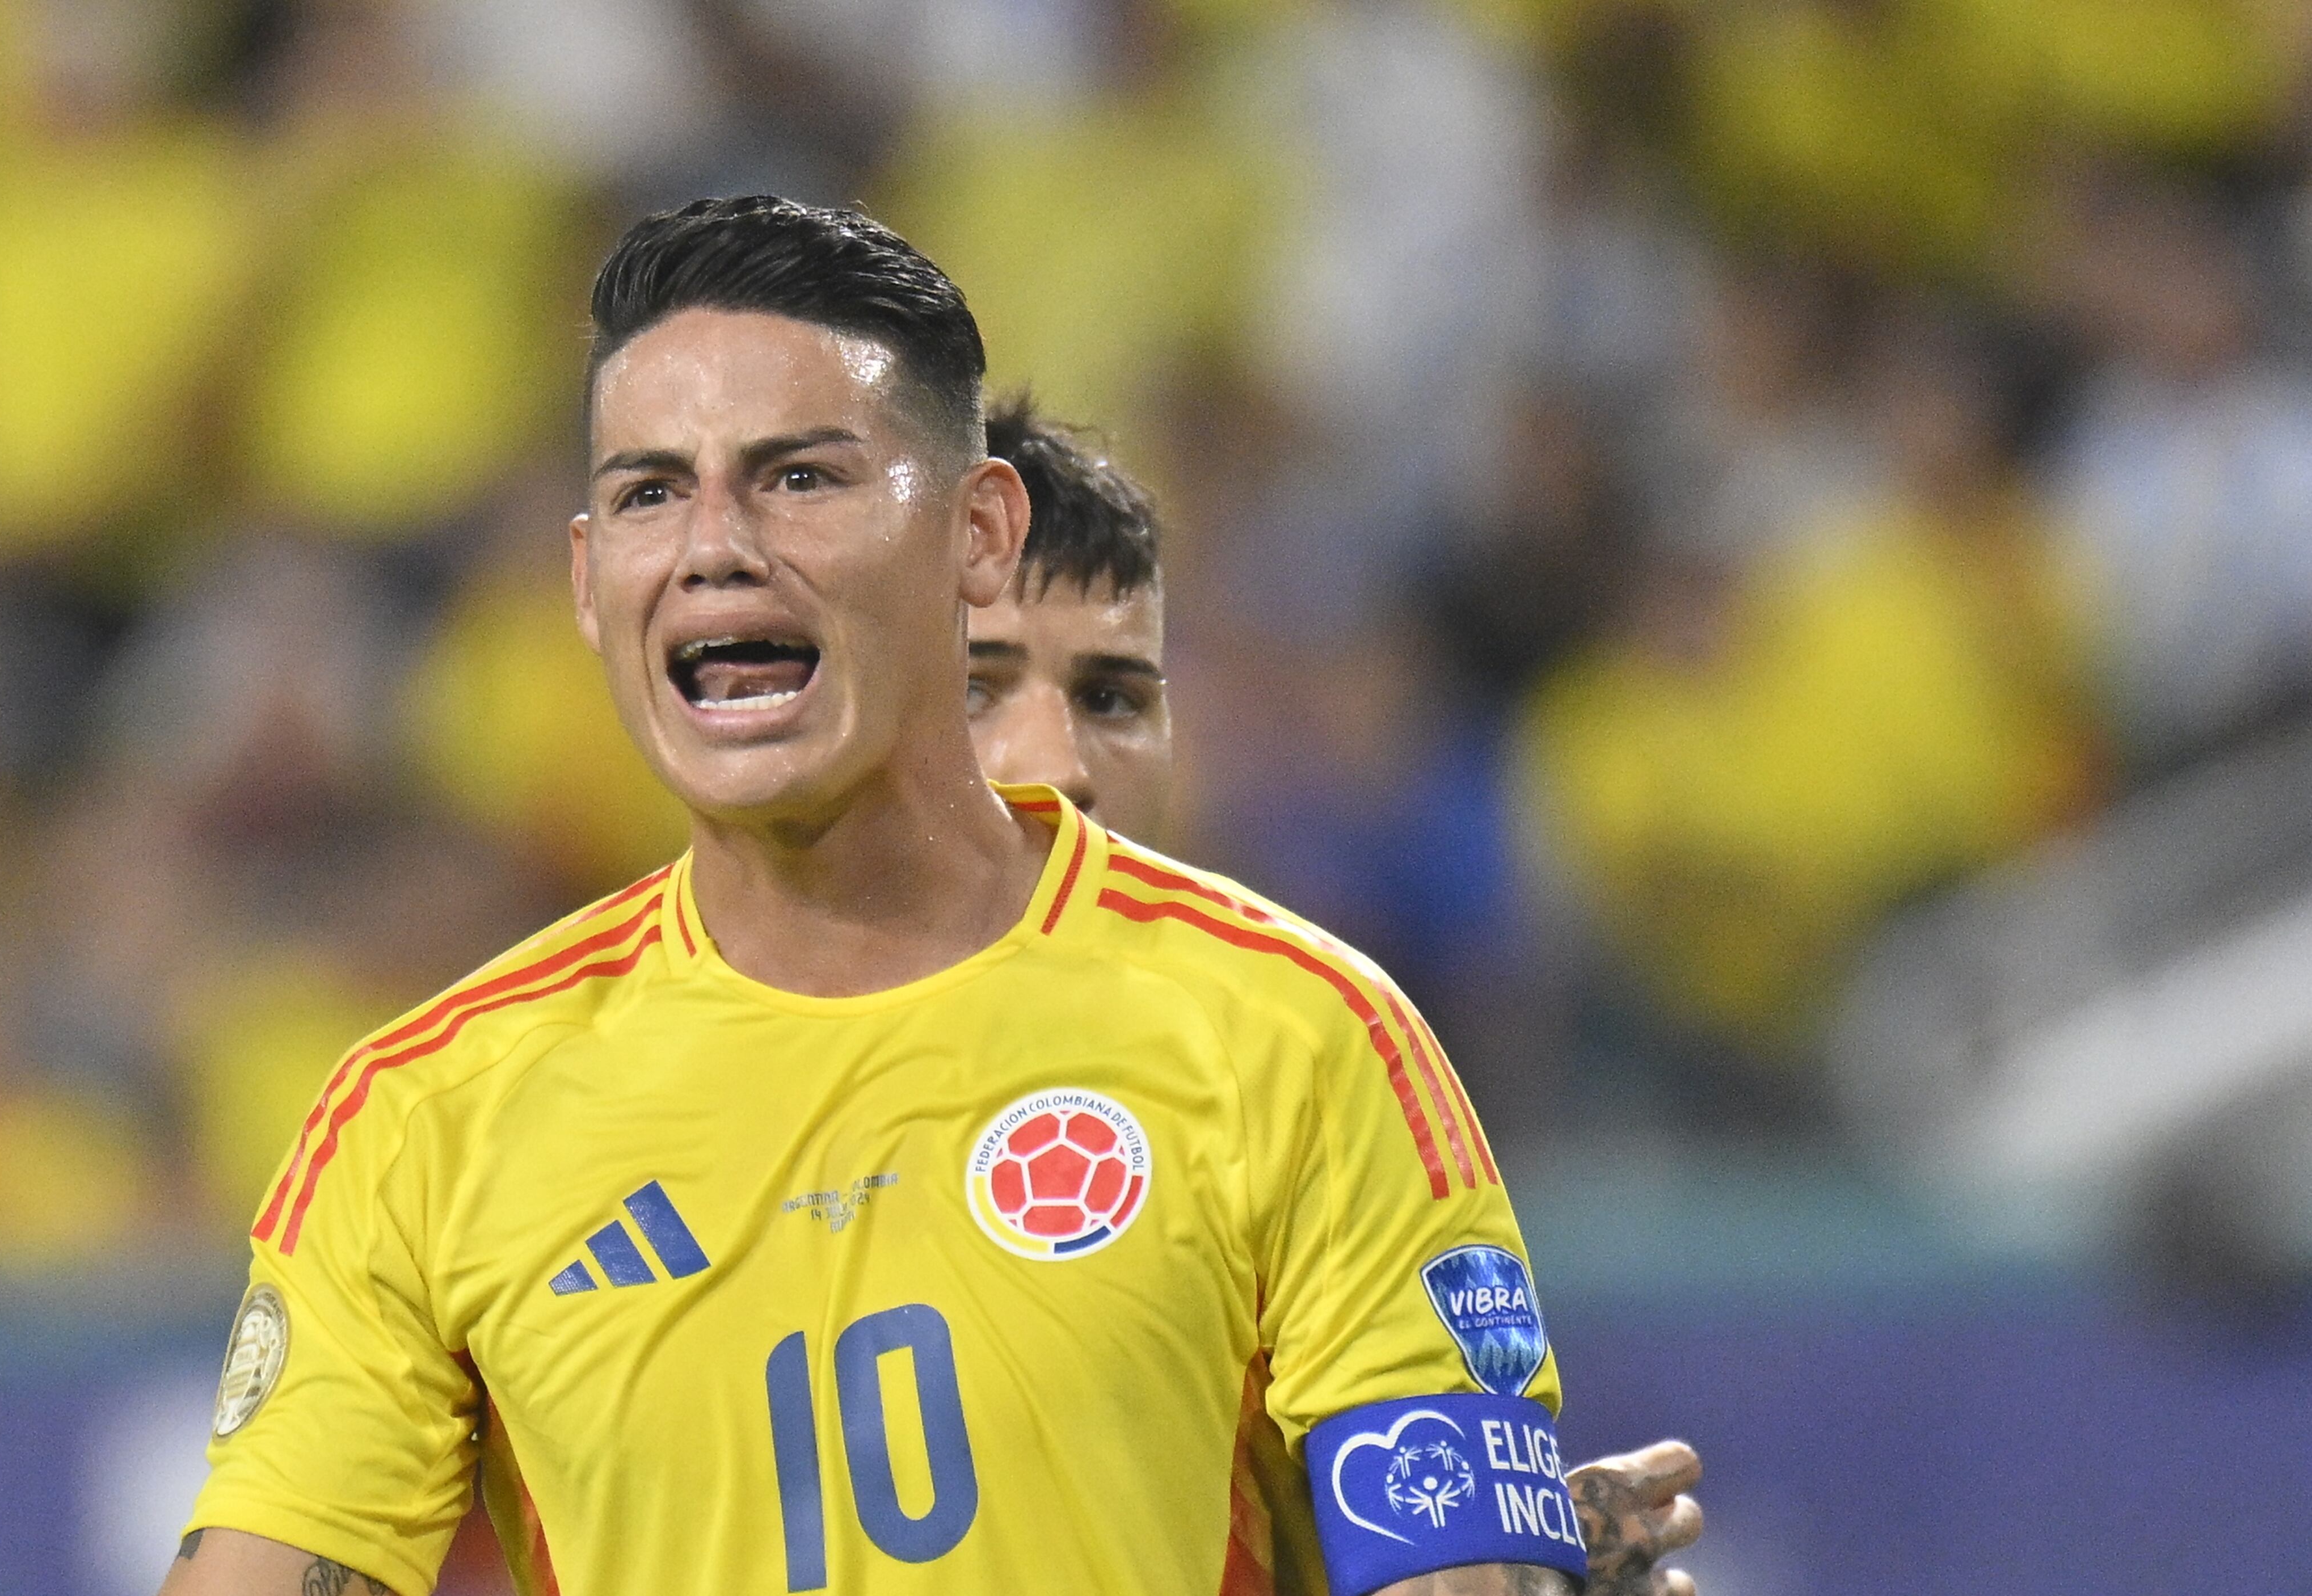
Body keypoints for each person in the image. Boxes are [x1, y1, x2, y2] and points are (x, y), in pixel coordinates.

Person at [165, 195, 1590, 1596]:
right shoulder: (427, 1125)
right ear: (591, 582)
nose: (715, 543)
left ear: (977, 538)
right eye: (652, 491)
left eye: (799, 477)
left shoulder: (1292, 1036)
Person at [971, 398, 1703, 1595]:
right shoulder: (594, 1069)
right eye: (973, 689)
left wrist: (1496, 1571)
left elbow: (1438, 1562)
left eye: (1113, 699)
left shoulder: (1310, 1049)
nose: (1056, 766)